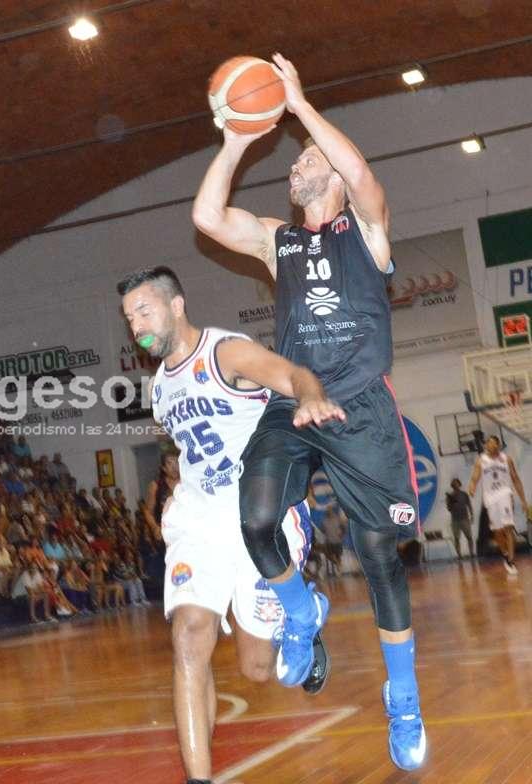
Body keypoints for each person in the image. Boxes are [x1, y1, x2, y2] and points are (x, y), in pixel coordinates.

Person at [193, 53, 426, 770]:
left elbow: (361, 175)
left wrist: (298, 106)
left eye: (306, 159)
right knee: (256, 519)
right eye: (295, 159)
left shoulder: (368, 231)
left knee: (379, 556)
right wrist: (237, 137)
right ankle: (300, 611)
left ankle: (403, 697)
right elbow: (207, 217)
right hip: (294, 402)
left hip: (360, 409)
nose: (296, 165)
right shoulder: (278, 240)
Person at [119, 266, 342, 784]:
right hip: (199, 521)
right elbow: (196, 451)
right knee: (189, 638)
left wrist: (310, 396)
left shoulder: (225, 353)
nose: (137, 326)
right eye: (129, 319)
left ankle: (302, 612)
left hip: (257, 515)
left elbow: (293, 375)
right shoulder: (160, 389)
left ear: (177, 305)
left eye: (144, 311)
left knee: (256, 669)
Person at [468, 436, 527, 574]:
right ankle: (505, 553)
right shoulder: (481, 460)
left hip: (505, 493)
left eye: (495, 444)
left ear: (499, 446)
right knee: (497, 532)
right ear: (486, 446)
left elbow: (515, 478)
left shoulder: (506, 459)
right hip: (490, 498)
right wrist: (472, 487)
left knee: (508, 527)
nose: (492, 446)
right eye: (489, 444)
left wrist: (523, 500)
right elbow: (475, 478)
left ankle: (511, 561)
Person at [445, 478, 475, 559]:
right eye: (454, 484)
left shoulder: (464, 494)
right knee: (456, 538)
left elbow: (469, 505)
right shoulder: (450, 496)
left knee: (469, 537)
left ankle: (472, 553)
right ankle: (459, 555)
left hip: (465, 518)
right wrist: (451, 501)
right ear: (452, 486)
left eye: (457, 483)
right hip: (455, 520)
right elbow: (449, 509)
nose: (455, 485)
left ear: (459, 484)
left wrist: (472, 515)